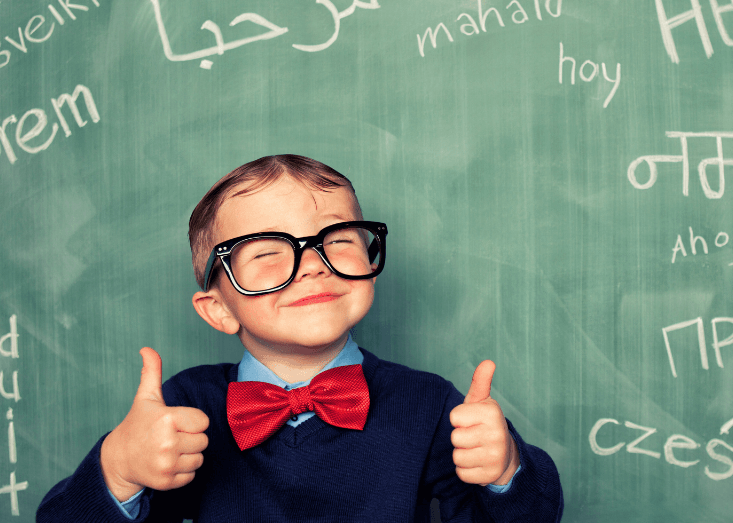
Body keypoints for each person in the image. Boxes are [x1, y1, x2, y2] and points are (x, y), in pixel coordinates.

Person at [37, 154, 563, 522]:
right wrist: (118, 470)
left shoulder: (428, 404)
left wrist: (507, 471)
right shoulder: (183, 408)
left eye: (337, 239)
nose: (312, 264)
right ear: (219, 309)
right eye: (267, 251)